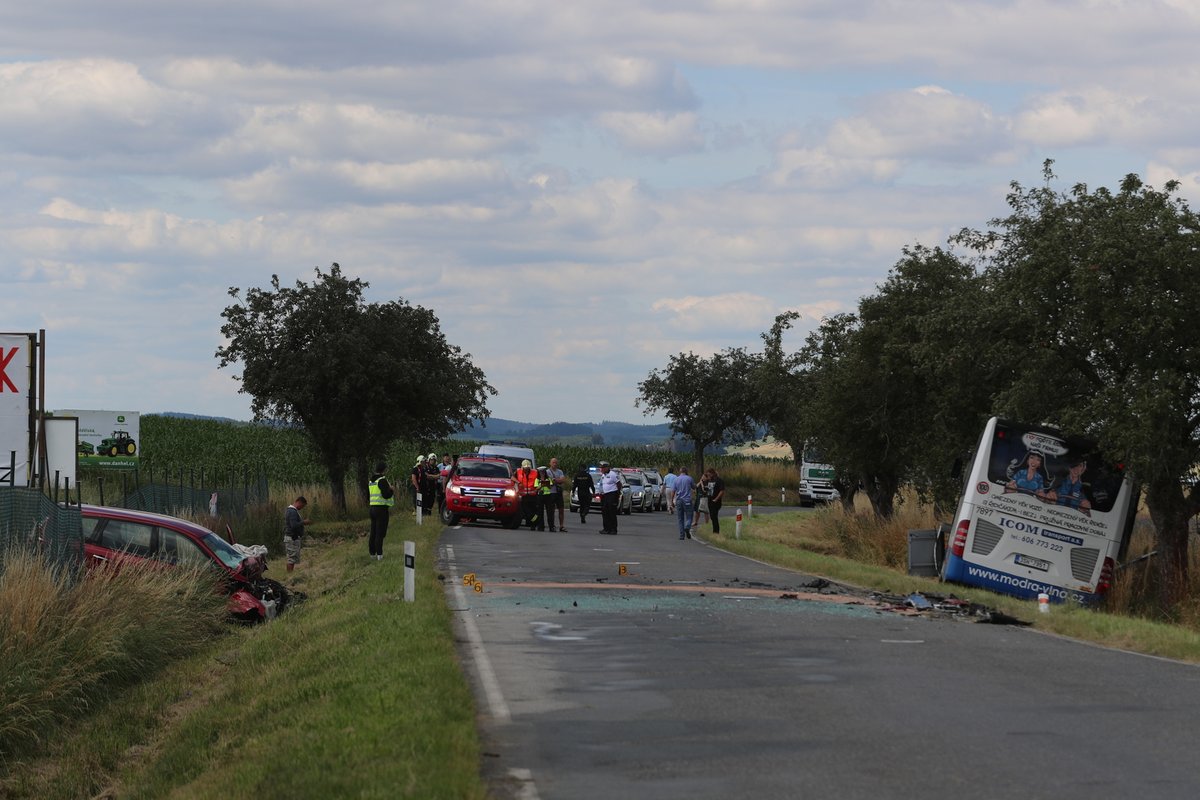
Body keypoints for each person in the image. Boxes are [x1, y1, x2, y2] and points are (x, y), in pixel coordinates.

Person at [367, 461, 394, 560]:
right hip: (381, 509)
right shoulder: (382, 480)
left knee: (373, 532)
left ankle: (372, 553)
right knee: (380, 532)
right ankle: (380, 554)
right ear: (384, 470)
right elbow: (386, 495)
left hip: (372, 508)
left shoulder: (371, 481)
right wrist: (391, 490)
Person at [283, 496, 310, 573]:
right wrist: (304, 522)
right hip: (292, 538)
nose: (302, 507)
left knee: (292, 558)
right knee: (291, 559)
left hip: (292, 538)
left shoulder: (292, 511)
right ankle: (289, 575)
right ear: (299, 502)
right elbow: (294, 525)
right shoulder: (292, 511)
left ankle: (290, 574)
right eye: (303, 505)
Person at [514, 458, 540, 528]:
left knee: (534, 512)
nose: (526, 469)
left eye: (528, 468)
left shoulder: (535, 472)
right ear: (522, 467)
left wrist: (537, 489)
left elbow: (541, 482)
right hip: (523, 496)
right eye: (525, 468)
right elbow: (512, 477)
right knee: (526, 512)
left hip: (533, 496)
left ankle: (533, 523)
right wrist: (518, 482)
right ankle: (533, 522)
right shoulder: (518, 471)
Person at [597, 461, 621, 534]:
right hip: (605, 495)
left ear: (607, 468)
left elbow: (619, 484)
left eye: (603, 468)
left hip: (612, 494)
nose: (601, 469)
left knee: (612, 512)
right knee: (605, 512)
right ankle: (606, 528)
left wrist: (617, 493)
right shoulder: (603, 475)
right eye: (601, 468)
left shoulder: (613, 474)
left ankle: (613, 529)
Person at [672, 466, 695, 540]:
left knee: (680, 518)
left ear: (680, 471)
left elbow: (673, 491)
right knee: (689, 516)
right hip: (687, 500)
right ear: (686, 471)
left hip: (679, 500)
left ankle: (682, 535)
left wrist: (672, 500)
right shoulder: (689, 478)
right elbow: (694, 487)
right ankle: (687, 527)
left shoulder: (676, 479)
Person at [546, 456, 567, 531]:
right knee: (551, 510)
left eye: (556, 462)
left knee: (561, 509)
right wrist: (557, 480)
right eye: (553, 462)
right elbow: (549, 482)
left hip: (558, 492)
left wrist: (555, 480)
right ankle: (552, 525)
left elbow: (563, 480)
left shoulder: (560, 471)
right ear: (550, 463)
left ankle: (561, 526)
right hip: (551, 493)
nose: (554, 464)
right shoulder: (547, 472)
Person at [691, 469, 712, 535]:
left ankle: (707, 523)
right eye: (702, 476)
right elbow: (696, 487)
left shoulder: (708, 483)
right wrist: (700, 482)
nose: (702, 478)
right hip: (698, 497)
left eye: (704, 477)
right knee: (697, 511)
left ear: (707, 477)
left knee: (705, 511)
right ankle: (695, 521)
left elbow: (705, 490)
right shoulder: (701, 482)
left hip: (704, 497)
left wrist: (702, 484)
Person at [707, 467, 726, 534]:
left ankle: (716, 531)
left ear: (713, 474)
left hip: (716, 501)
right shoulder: (710, 481)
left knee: (714, 516)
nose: (708, 476)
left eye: (709, 475)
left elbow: (722, 491)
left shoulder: (719, 481)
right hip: (709, 500)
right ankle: (714, 530)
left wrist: (716, 499)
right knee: (712, 516)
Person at [536, 466, 556, 531]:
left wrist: (547, 483)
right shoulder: (537, 479)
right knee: (540, 512)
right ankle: (541, 526)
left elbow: (550, 487)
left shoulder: (548, 479)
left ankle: (551, 527)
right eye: (541, 472)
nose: (542, 473)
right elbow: (536, 488)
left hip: (548, 496)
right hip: (540, 496)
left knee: (550, 512)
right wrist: (541, 484)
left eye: (543, 472)